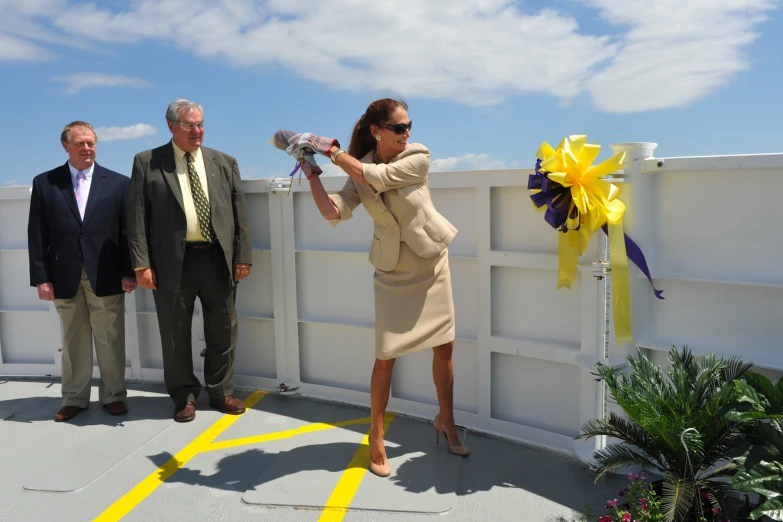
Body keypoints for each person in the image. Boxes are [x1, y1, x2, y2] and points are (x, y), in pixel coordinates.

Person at [298, 98, 470, 477]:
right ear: (377, 131)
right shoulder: (360, 168)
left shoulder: (418, 156)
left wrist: (332, 150)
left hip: (430, 262)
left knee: (445, 346)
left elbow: (374, 177)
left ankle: (447, 421)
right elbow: (333, 212)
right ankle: (375, 435)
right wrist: (312, 172)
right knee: (385, 356)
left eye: (409, 125)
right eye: (399, 128)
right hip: (392, 270)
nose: (408, 133)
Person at [127, 99, 252, 422]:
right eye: (189, 125)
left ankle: (221, 391)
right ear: (171, 126)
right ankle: (184, 396)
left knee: (223, 328)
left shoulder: (224, 162)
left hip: (217, 259)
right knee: (174, 333)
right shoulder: (147, 162)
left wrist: (243, 255)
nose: (197, 131)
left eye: (200, 124)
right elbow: (137, 217)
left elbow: (240, 215)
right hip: (171, 263)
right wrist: (142, 264)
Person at [28, 121, 136, 422]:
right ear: (66, 146)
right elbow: (37, 235)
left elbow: (128, 233)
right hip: (64, 275)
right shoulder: (45, 183)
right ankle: (75, 398)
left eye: (91, 143)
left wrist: (129, 272)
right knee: (73, 339)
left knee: (110, 337)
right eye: (80, 143)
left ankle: (113, 395)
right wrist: (42, 278)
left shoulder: (118, 183)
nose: (87, 148)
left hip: (108, 274)